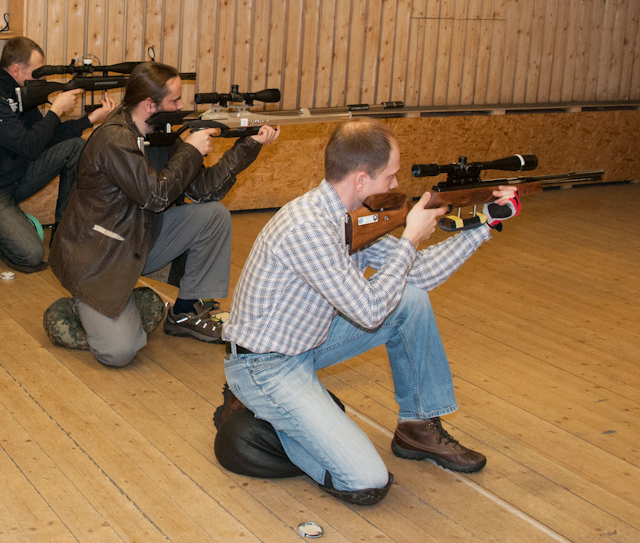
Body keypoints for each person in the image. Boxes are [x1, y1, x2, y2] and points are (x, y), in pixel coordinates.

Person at [222, 118, 519, 505]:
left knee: (409, 301)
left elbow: (418, 276)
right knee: (366, 481)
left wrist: (485, 223)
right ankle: (262, 416)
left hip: (306, 344)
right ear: (361, 179)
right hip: (264, 366)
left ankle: (418, 425)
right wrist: (410, 237)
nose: (396, 185)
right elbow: (369, 312)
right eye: (391, 176)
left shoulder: (348, 217)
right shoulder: (309, 228)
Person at [47, 62, 278, 366]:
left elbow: (204, 191)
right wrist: (192, 150)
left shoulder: (158, 132)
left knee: (213, 215)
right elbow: (156, 196)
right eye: (175, 101)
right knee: (119, 352)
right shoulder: (113, 140)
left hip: (138, 238)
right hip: (99, 258)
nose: (182, 107)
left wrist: (248, 146)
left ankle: (183, 311)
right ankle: (76, 308)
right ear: (149, 105)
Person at [0, 36, 117, 272]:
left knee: (76, 147)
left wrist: (89, 120)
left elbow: (46, 137)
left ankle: (64, 231)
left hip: (14, 177)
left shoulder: (20, 93)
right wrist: (56, 110)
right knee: (31, 254)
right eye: (38, 73)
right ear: (16, 69)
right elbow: (28, 145)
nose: (43, 80)